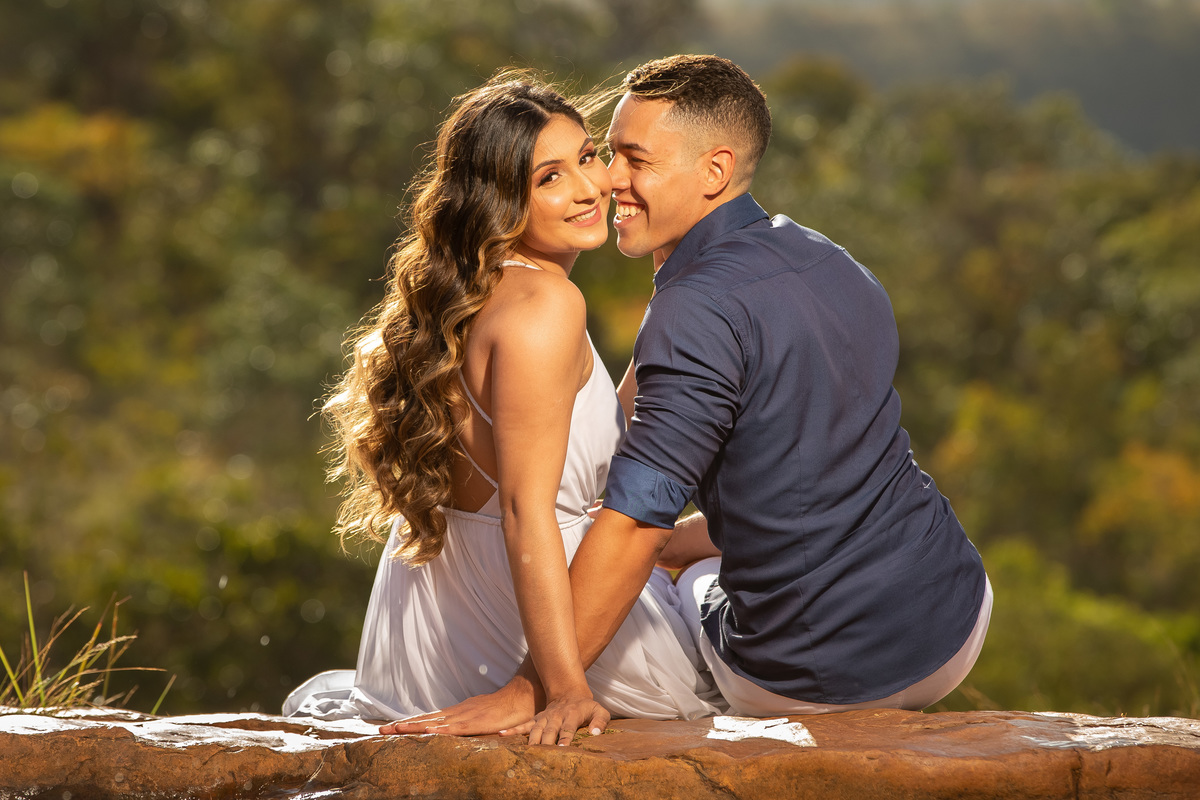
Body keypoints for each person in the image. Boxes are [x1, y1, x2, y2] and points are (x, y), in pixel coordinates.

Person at [386, 54, 991, 742]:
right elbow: (811, 487)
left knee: (682, 579)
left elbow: (638, 523)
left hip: (806, 677)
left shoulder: (692, 310)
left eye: (631, 159)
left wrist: (533, 689)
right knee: (694, 552)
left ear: (715, 171)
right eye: (606, 154)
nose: (607, 179)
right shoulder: (831, 259)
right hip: (955, 619)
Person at [283, 72, 724, 734]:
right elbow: (525, 511)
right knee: (728, 584)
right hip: (523, 626)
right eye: (549, 178)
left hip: (435, 623)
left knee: (693, 551)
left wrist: (675, 316)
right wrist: (563, 688)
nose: (588, 187)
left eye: (586, 156)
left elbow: (572, 433)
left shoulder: (478, 295)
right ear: (499, 202)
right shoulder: (547, 306)